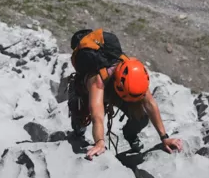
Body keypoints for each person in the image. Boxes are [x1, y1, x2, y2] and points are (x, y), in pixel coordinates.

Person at [68, 29, 183, 161]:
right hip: (87, 90)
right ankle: (78, 130)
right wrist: (100, 142)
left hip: (117, 89)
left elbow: (150, 104)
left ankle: (130, 134)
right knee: (81, 119)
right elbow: (97, 115)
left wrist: (165, 138)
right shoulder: (97, 80)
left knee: (140, 116)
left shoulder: (134, 74)